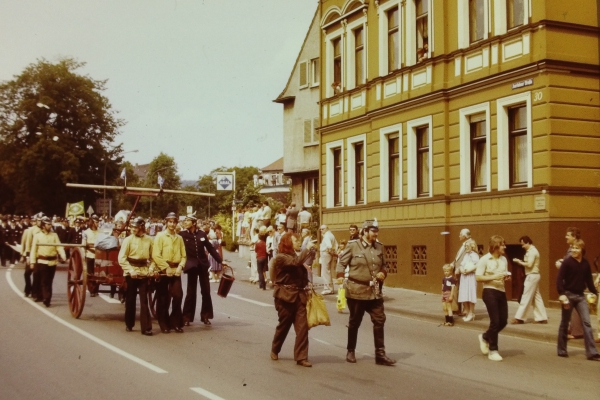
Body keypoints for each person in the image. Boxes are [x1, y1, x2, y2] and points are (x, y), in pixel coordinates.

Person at [337, 218, 396, 366]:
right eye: (373, 231)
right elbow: (341, 263)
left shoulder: (379, 247)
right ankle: (351, 351)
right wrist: (339, 276)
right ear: (364, 231)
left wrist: (383, 272)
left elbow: (385, 265)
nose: (375, 234)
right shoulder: (353, 246)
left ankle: (380, 355)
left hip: (374, 292)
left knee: (379, 320)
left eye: (377, 231)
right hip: (356, 290)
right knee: (355, 322)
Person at [269, 232, 316, 367]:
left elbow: (300, 271)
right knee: (284, 326)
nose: (298, 243)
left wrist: (307, 284)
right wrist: (307, 249)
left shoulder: (296, 256)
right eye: (295, 241)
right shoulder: (281, 257)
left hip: (299, 296)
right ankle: (275, 349)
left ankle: (301, 357)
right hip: (285, 297)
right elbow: (295, 263)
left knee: (302, 328)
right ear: (288, 242)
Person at [556, 239, 600, 361]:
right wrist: (561, 293)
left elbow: (589, 281)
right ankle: (562, 349)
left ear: (582, 250)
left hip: (580, 296)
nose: (574, 250)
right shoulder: (567, 263)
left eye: (576, 248)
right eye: (572, 248)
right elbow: (559, 279)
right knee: (565, 323)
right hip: (568, 296)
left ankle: (592, 352)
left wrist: (595, 292)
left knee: (587, 322)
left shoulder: (585, 264)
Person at [180, 213, 223, 326]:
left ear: (194, 223)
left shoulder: (202, 234)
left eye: (187, 220)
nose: (185, 222)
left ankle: (205, 316)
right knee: (191, 292)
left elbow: (210, 248)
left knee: (206, 291)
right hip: (191, 266)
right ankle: (186, 317)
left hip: (203, 266)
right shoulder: (182, 234)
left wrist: (220, 261)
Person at [475, 235, 510, 361]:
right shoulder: (484, 259)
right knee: (495, 321)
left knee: (503, 321)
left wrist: (505, 277)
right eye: (502, 245)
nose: (504, 247)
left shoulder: (504, 260)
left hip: (501, 291)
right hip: (489, 291)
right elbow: (478, 277)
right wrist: (493, 277)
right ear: (496, 246)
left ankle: (485, 336)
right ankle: (493, 350)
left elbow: (503, 274)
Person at [119, 217, 154, 335]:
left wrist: (151, 269)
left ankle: (146, 328)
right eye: (132, 227)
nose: (133, 229)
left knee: (144, 301)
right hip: (131, 272)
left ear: (142, 227)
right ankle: (129, 323)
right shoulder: (128, 240)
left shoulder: (149, 240)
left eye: (136, 227)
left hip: (144, 271)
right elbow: (122, 258)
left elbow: (153, 258)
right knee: (130, 299)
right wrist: (130, 270)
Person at [152, 212, 186, 334]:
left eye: (174, 222)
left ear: (177, 223)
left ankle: (175, 322)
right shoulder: (160, 236)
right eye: (170, 222)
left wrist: (180, 267)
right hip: (163, 269)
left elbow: (184, 256)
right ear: (166, 222)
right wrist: (166, 267)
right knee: (163, 297)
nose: (172, 224)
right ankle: (164, 323)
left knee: (178, 295)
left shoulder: (179, 238)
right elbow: (156, 254)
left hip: (176, 269)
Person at [511, 236, 548, 324]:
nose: (522, 246)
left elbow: (529, 265)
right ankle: (541, 317)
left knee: (526, 296)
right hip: (534, 275)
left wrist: (519, 262)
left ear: (528, 242)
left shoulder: (532, 252)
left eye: (523, 244)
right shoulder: (532, 251)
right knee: (536, 297)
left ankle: (520, 318)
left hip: (532, 275)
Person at [30, 217, 66, 307]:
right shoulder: (37, 236)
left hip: (53, 262)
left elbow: (59, 246)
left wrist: (63, 255)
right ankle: (46, 297)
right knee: (44, 280)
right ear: (43, 225)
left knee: (50, 281)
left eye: (50, 224)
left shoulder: (54, 235)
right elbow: (34, 250)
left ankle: (47, 298)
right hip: (42, 261)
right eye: (48, 224)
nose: (50, 226)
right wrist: (32, 262)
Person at [555, 227, 584, 339]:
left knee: (573, 306)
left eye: (568, 235)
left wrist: (561, 264)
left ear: (574, 237)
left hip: (573, 282)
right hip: (572, 280)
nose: (566, 237)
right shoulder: (571, 248)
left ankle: (577, 331)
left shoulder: (576, 248)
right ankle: (575, 329)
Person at [450, 228, 471, 316]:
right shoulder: (464, 244)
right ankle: (456, 308)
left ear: (465, 236)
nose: (459, 236)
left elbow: (468, 258)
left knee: (461, 289)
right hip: (457, 269)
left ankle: (463, 309)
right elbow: (458, 257)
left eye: (460, 235)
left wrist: (460, 268)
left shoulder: (470, 244)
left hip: (462, 270)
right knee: (455, 288)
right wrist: (453, 263)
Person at [458, 239, 479, 322]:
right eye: (465, 246)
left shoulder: (474, 255)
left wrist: (469, 270)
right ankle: (467, 312)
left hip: (470, 276)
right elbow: (461, 264)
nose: (466, 248)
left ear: (472, 247)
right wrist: (462, 270)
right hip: (464, 276)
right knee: (465, 294)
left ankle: (471, 313)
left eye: (467, 246)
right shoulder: (466, 255)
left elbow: (477, 265)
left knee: (470, 294)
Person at [82, 214, 100, 297]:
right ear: (92, 222)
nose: (97, 224)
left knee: (99, 274)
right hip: (90, 255)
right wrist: (83, 255)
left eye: (98, 222)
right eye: (96, 222)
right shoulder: (86, 232)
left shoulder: (101, 232)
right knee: (90, 273)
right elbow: (83, 245)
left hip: (99, 256)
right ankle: (91, 289)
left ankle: (96, 289)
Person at [319, 224, 338, 295]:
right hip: (328, 254)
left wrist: (330, 251)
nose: (321, 230)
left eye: (323, 229)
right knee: (328, 271)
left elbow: (329, 246)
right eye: (320, 229)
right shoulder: (331, 235)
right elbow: (336, 245)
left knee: (325, 272)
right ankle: (330, 288)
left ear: (327, 228)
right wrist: (333, 252)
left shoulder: (327, 236)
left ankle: (327, 289)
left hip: (325, 254)